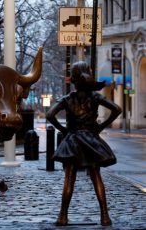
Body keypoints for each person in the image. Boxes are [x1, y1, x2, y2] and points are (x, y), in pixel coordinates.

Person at [46, 61, 122, 226]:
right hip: (91, 140)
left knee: (69, 178)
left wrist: (64, 130)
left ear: (73, 79)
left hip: (72, 140)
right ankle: (105, 216)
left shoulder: (68, 98)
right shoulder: (95, 97)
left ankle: (62, 216)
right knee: (96, 176)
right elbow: (117, 109)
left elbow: (50, 114)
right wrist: (100, 127)